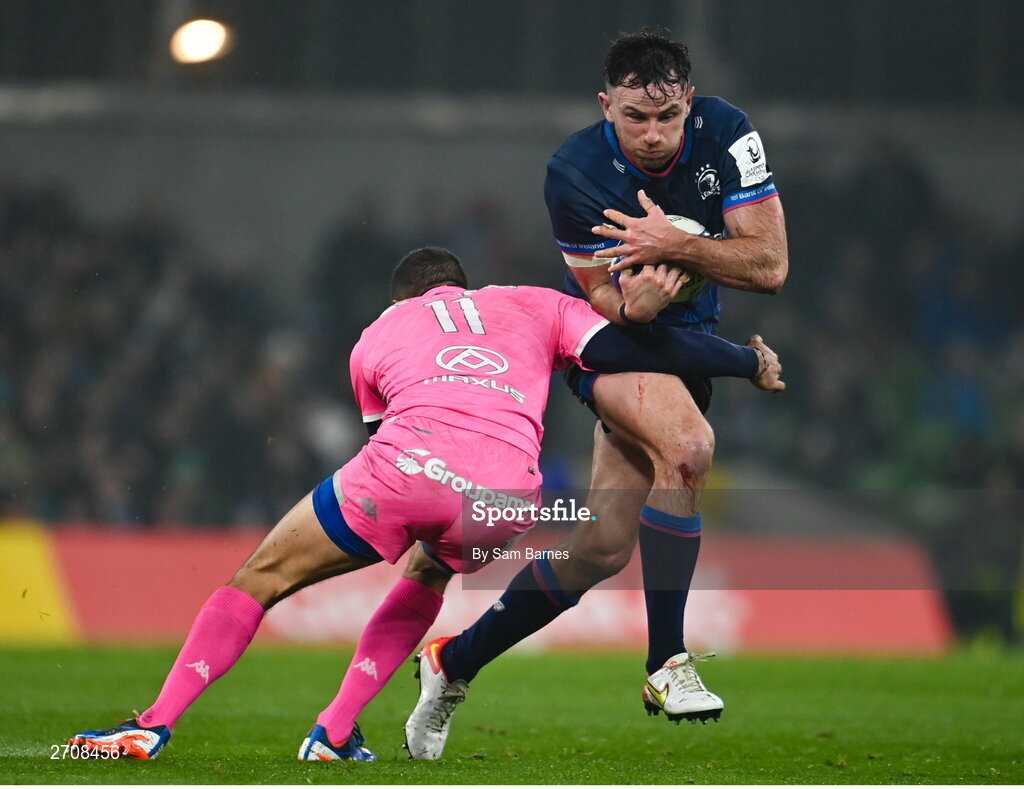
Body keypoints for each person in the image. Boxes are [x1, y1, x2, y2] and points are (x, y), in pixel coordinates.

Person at [67, 246, 783, 761]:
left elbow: (385, 436)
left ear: (402, 299)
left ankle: (154, 724)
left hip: (409, 467)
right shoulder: (536, 303)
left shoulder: (376, 334)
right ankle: (336, 731)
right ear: (464, 286)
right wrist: (746, 361)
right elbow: (640, 346)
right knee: (430, 570)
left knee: (259, 578)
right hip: (507, 498)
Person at [404, 28, 788, 759]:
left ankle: (452, 661)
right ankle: (666, 664)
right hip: (607, 345)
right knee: (690, 447)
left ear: (689, 104)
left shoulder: (730, 134)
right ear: (606, 106)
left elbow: (769, 265)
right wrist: (635, 302)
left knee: (602, 548)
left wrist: (672, 245)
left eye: (667, 117)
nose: (652, 134)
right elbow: (606, 304)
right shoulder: (574, 170)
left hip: (689, 347)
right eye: (634, 118)